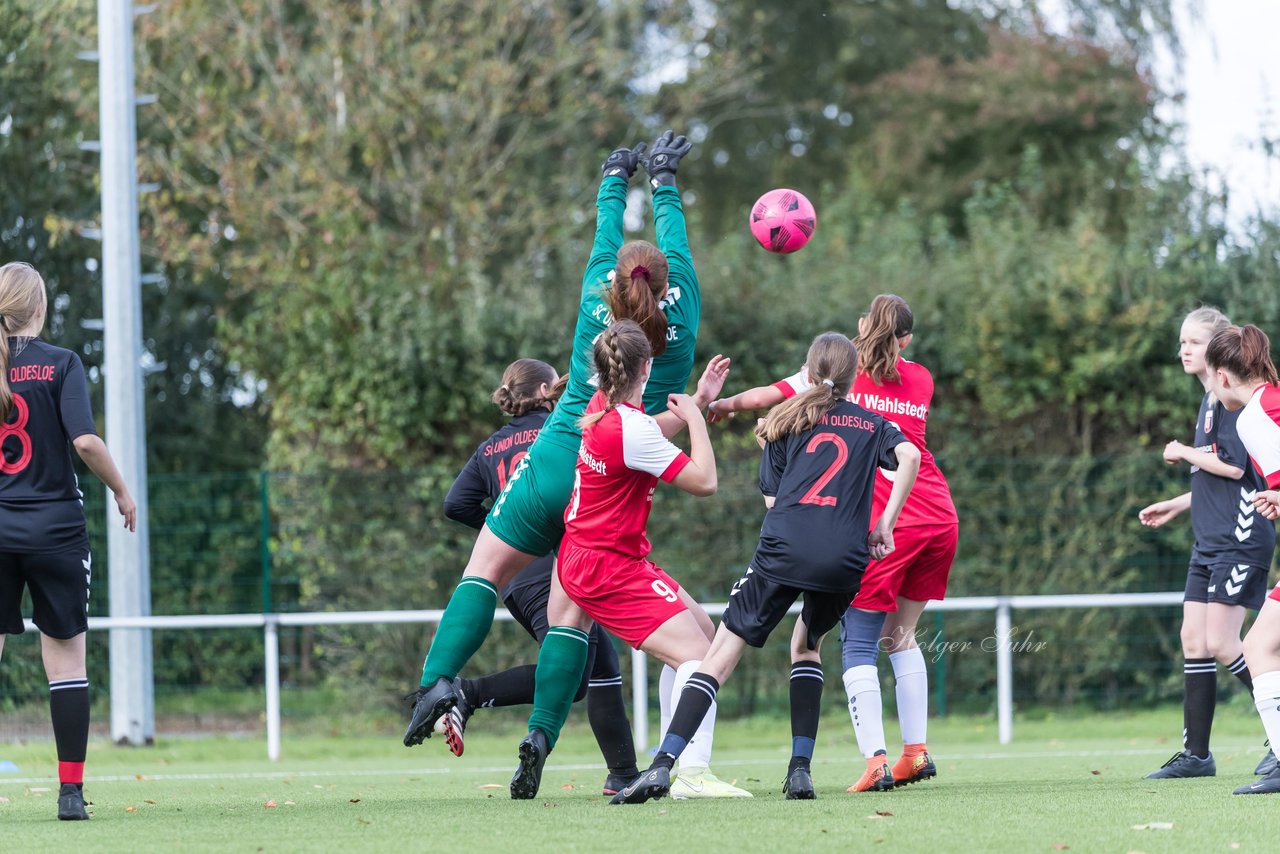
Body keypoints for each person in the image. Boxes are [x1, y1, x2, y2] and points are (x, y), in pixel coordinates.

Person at [404, 130, 729, 761]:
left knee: (485, 570)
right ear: (665, 287)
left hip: (556, 461)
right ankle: (541, 736)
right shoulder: (681, 320)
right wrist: (664, 180)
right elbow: (679, 249)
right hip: (614, 478)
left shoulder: (593, 304)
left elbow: (606, 236)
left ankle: (436, 683)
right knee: (572, 619)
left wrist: (616, 176)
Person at [611, 332, 921, 804]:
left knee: (718, 657)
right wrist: (884, 525)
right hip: (844, 560)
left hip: (785, 550)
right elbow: (911, 456)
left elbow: (775, 503)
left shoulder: (784, 420)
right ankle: (800, 771)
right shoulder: (874, 424)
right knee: (806, 645)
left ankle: (662, 766)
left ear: (810, 373)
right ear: (854, 377)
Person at [707, 294, 959, 792]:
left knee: (859, 642)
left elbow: (766, 398)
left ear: (864, 324)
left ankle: (877, 761)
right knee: (901, 637)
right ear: (906, 339)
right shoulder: (923, 378)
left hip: (895, 520)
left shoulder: (840, 374)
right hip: (939, 517)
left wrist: (722, 405)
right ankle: (916, 751)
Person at [512, 320, 747, 801]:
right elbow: (704, 481)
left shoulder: (602, 406)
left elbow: (644, 434)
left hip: (594, 555)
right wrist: (699, 421)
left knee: (704, 637)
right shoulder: (630, 427)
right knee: (702, 659)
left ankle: (675, 760)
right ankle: (691, 775)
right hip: (606, 565)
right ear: (647, 366)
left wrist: (697, 400)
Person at [437, 357, 641, 795]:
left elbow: (455, 504)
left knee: (600, 665)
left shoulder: (491, 446)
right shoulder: (565, 432)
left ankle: (622, 773)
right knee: (577, 673)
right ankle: (467, 694)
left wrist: (506, 530)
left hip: (513, 571)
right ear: (551, 392)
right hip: (560, 564)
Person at [0, 261, 137, 821]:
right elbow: (85, 441)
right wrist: (123, 492)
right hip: (56, 531)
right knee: (66, 663)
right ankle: (70, 795)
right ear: (39, 307)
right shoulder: (62, 363)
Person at [1137, 308, 1276, 780]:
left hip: (1240, 537)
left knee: (1221, 641)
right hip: (1208, 540)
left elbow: (1238, 471)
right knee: (1194, 640)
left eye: (1193, 342)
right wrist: (1179, 503)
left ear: (1218, 351)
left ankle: (1277, 731)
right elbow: (1217, 477)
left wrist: (1184, 452)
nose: (1184, 350)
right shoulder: (1211, 402)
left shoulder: (1236, 405)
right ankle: (1197, 754)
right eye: (1180, 342)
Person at [1203, 323, 1280, 795]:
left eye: (1211, 378)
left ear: (1225, 378)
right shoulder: (1271, 401)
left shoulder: (1253, 418)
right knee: (1262, 645)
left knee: (1259, 647)